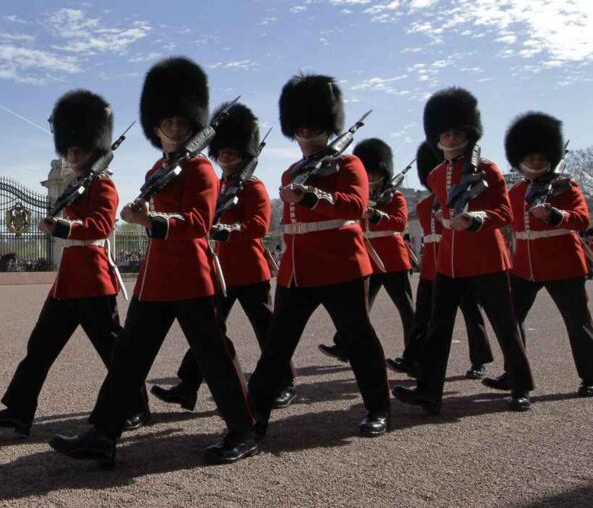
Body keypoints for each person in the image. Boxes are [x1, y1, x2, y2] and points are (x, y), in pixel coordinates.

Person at [49, 57, 257, 467]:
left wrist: (151, 219)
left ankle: (244, 431)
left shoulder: (201, 170)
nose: (175, 128)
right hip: (155, 278)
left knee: (214, 357)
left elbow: (199, 221)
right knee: (128, 358)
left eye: (182, 122)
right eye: (168, 122)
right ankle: (103, 434)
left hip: (192, 276)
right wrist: (138, 212)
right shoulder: (155, 170)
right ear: (155, 126)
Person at [0, 89, 148, 436]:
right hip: (68, 281)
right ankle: (19, 410)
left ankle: (137, 407)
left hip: (92, 280)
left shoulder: (103, 185)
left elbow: (101, 226)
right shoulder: (78, 185)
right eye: (69, 149)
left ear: (95, 151)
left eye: (80, 149)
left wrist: (63, 225)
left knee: (113, 350)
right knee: (39, 348)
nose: (73, 155)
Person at [247, 73, 391, 440]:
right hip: (298, 272)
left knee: (358, 340)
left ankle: (378, 409)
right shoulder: (291, 171)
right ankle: (254, 417)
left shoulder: (348, 165)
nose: (306, 130)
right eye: (300, 125)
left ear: (328, 126)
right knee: (277, 347)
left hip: (341, 265)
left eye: (313, 123)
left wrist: (312, 197)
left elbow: (357, 206)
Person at [394, 87, 535, 414]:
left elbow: (504, 213)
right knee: (437, 329)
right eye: (446, 132)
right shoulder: (435, 173)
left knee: (505, 325)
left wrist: (475, 219)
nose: (452, 136)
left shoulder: (487, 168)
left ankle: (520, 386)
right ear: (437, 137)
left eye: (458, 131)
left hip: (486, 259)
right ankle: (429, 391)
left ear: (468, 133)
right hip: (449, 263)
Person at [151, 101, 298, 410]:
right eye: (223, 150)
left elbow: (259, 225)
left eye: (233, 150)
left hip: (249, 270)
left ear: (244, 152)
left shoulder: (253, 187)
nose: (227, 155)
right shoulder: (218, 185)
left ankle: (285, 382)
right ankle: (189, 385)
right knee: (210, 331)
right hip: (221, 271)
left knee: (266, 331)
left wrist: (226, 230)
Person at [481, 112, 592, 398]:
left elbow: (581, 219)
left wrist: (556, 214)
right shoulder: (515, 191)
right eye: (529, 159)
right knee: (511, 321)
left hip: (563, 263)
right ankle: (514, 374)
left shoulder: (566, 187)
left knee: (577, 323)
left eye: (540, 158)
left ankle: (591, 376)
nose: (534, 163)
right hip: (524, 266)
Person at [386, 142, 494, 379]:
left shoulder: (466, 198)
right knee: (422, 317)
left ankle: (479, 360)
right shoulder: (424, 205)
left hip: (458, 263)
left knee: (471, 313)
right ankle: (412, 358)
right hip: (432, 265)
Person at [318, 139, 415, 365]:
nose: (369, 178)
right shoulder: (361, 195)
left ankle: (415, 355)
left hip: (392, 260)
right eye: (366, 173)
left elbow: (400, 223)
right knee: (359, 309)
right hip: (369, 258)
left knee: (406, 309)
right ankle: (344, 346)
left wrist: (376, 215)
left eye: (373, 173)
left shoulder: (395, 197)